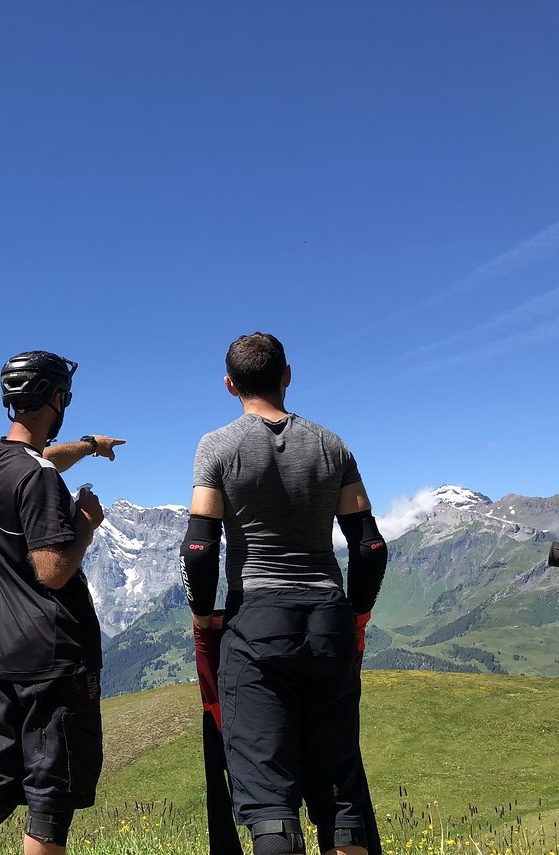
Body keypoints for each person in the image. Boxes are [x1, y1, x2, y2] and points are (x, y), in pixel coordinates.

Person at [180, 332, 387, 855]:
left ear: (230, 384)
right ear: (287, 375)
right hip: (329, 622)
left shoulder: (218, 446)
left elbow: (200, 549)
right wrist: (356, 613)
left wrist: (204, 617)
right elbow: (369, 547)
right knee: (341, 799)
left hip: (257, 627)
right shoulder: (331, 445)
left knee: (271, 805)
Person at [0, 350, 125, 855]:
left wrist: (87, 446)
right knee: (50, 798)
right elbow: (53, 571)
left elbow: (38, 462)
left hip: (4, 655)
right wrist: (85, 523)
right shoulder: (38, 480)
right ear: (55, 398)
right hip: (57, 658)